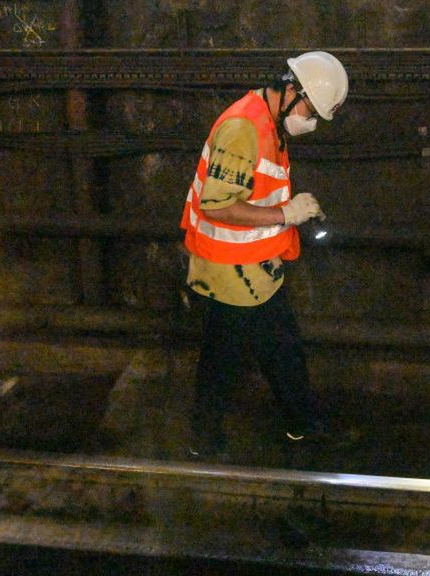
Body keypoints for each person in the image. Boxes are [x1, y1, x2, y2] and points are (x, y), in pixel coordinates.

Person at [180, 51, 348, 461]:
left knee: (280, 349)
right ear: (291, 91)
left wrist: (290, 211)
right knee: (226, 361)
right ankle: (206, 444)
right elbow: (218, 205)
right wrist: (285, 214)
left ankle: (300, 427)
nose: (310, 122)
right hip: (230, 270)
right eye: (310, 111)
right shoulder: (244, 127)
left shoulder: (268, 121)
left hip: (255, 265)